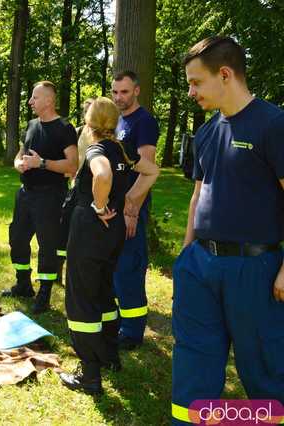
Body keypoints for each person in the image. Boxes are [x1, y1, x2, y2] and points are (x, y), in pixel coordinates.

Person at [171, 36, 284, 424]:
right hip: (200, 267)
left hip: (255, 270)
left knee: (266, 371)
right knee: (192, 366)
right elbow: (197, 196)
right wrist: (187, 253)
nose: (190, 92)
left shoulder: (274, 124)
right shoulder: (205, 133)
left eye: (195, 82)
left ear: (225, 74)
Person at [59, 97, 159, 395]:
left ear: (89, 124)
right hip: (112, 235)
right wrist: (129, 199)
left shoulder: (97, 149)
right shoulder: (122, 149)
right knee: (103, 293)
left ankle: (89, 375)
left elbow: (101, 174)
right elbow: (152, 171)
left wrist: (99, 206)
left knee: (81, 300)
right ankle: (109, 356)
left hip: (90, 232)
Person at [2, 81, 78, 314]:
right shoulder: (32, 124)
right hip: (25, 194)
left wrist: (42, 163)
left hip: (50, 196)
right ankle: (23, 284)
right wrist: (19, 164)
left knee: (47, 245)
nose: (30, 102)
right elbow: (21, 154)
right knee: (17, 238)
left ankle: (44, 293)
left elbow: (73, 165)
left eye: (34, 98)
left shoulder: (64, 128)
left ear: (48, 100)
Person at [110, 71, 159, 350]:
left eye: (125, 92)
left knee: (129, 267)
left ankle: (132, 332)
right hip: (117, 204)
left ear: (137, 91)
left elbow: (147, 167)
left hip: (132, 206)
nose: (119, 97)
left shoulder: (144, 121)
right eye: (115, 92)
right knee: (116, 266)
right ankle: (120, 321)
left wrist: (132, 209)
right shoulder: (117, 120)